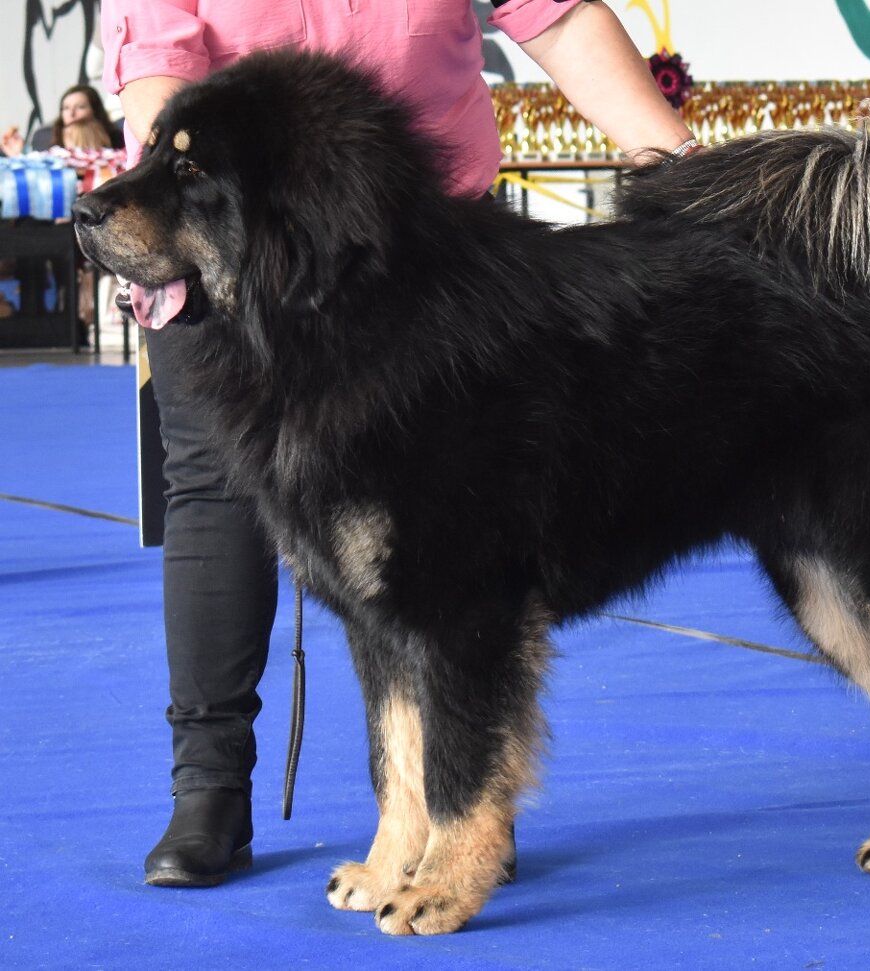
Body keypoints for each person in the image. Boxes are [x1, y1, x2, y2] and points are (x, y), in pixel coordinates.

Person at [100, 0, 697, 889]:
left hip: (423, 253)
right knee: (215, 493)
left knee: (444, 571)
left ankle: (460, 804)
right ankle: (210, 786)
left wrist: (684, 167)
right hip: (239, 247)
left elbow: (559, 19)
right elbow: (157, 61)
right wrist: (178, 202)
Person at [2, 84, 122, 157]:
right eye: (66, 108)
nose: (71, 114)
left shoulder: (119, 144)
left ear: (95, 111)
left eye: (80, 107)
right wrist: (19, 154)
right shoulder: (49, 146)